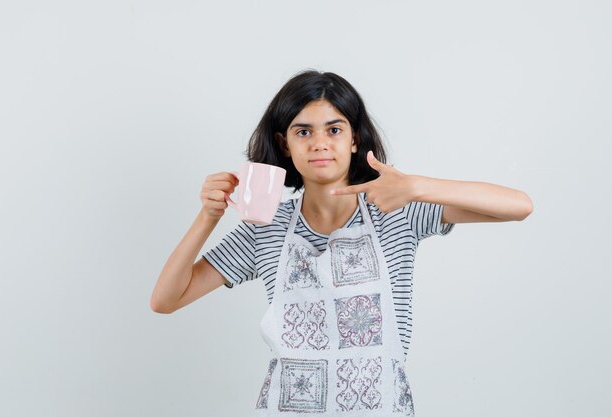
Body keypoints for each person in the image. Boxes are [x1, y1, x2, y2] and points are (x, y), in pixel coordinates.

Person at [150, 70, 533, 416]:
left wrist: (415, 187)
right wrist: (208, 217)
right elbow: (166, 300)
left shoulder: (396, 211)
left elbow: (518, 206)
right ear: (285, 145)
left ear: (354, 140)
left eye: (334, 130)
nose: (319, 143)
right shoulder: (264, 228)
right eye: (304, 132)